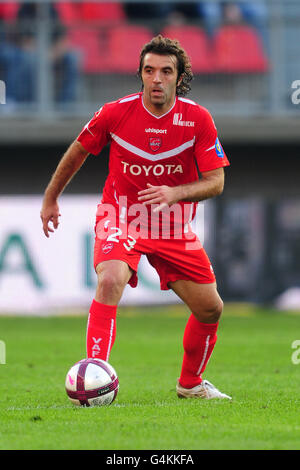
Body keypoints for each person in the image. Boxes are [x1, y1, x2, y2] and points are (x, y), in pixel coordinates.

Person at [40, 35, 231, 400]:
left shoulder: (197, 119)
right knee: (110, 279)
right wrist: (51, 197)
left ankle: (190, 384)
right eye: (149, 70)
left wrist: (176, 192)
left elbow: (216, 181)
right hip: (120, 215)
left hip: (171, 224)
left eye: (165, 71)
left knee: (210, 308)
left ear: (179, 77)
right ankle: (92, 382)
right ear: (141, 74)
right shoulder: (115, 112)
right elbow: (78, 151)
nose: (156, 78)